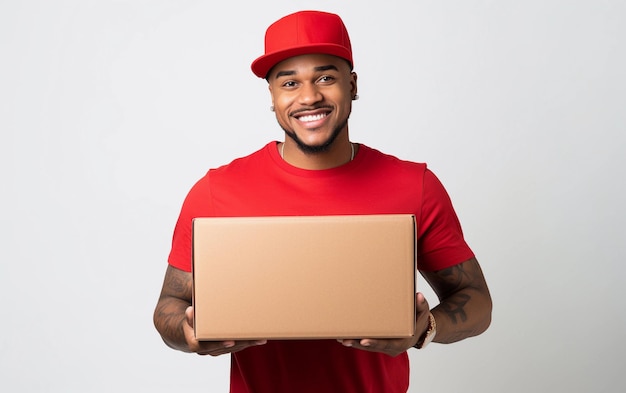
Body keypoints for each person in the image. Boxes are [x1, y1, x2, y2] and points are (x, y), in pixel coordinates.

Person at [153, 10, 492, 393]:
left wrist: (425, 328)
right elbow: (169, 304)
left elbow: (477, 301)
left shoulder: (415, 185)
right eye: (290, 82)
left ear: (352, 84)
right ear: (273, 96)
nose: (309, 96)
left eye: (326, 78)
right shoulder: (217, 191)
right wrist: (189, 333)